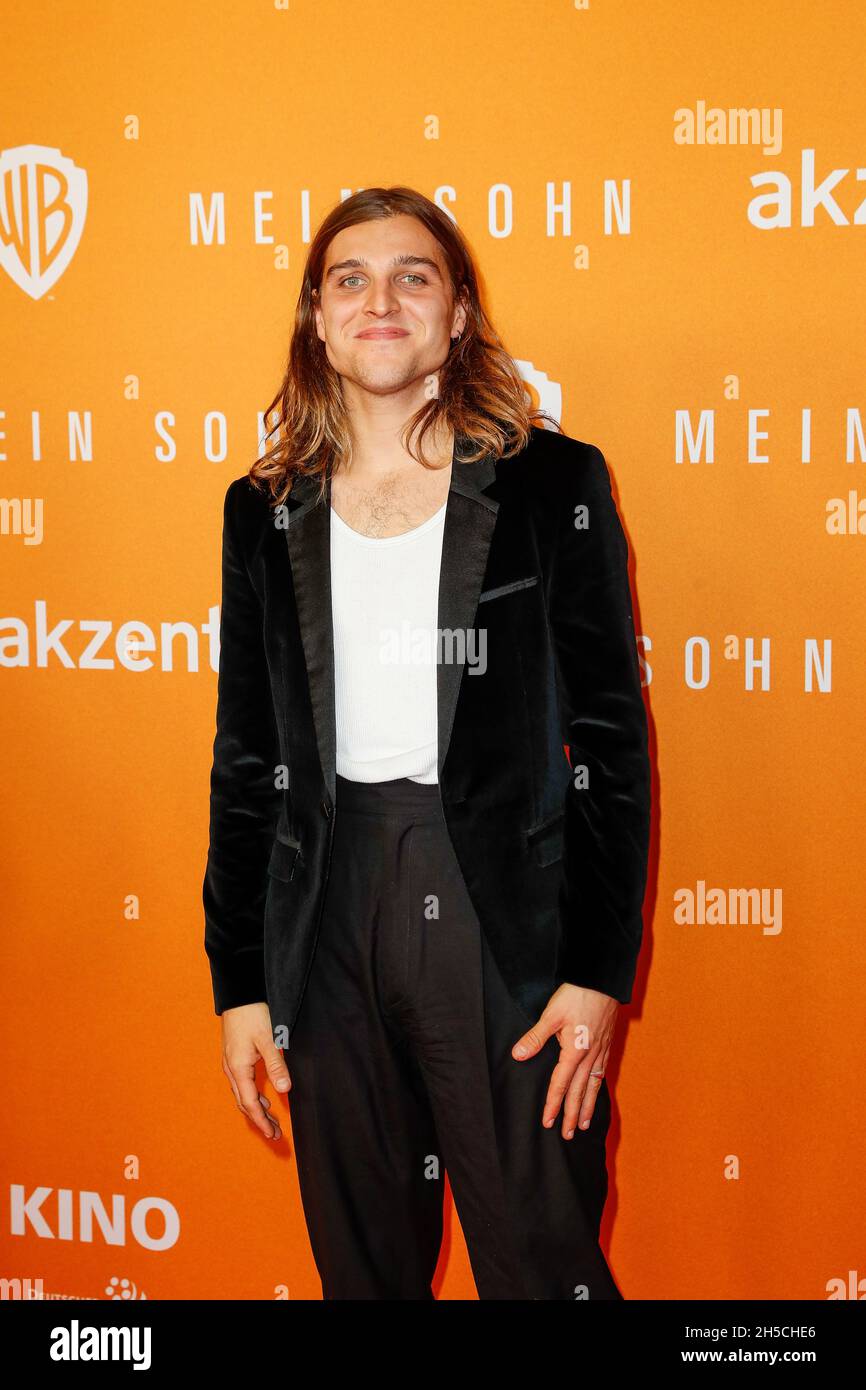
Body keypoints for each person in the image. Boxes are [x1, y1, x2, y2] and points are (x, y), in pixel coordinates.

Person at [202, 185, 651, 1300]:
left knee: (540, 1257)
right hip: (326, 906)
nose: (379, 301)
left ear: (457, 314)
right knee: (364, 1262)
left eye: (413, 276)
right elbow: (244, 755)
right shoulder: (262, 509)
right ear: (316, 318)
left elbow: (609, 739)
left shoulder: (553, 485)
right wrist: (240, 982)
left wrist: (596, 973)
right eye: (348, 279)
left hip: (498, 913)